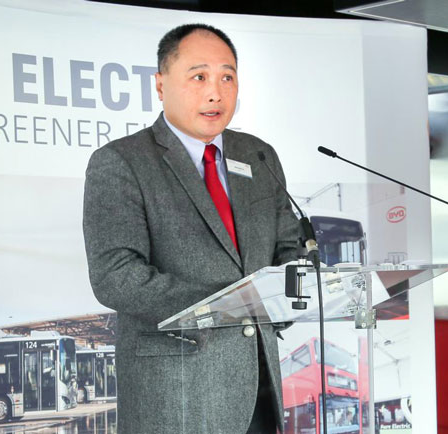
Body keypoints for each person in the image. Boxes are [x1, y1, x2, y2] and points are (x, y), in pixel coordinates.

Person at [83, 23, 298, 434]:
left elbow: (290, 248)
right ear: (160, 84)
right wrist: (227, 306)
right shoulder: (121, 162)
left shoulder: (258, 155)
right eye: (199, 77)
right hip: (177, 396)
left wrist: (293, 288)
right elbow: (115, 276)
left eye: (227, 77)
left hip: (259, 391)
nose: (215, 92)